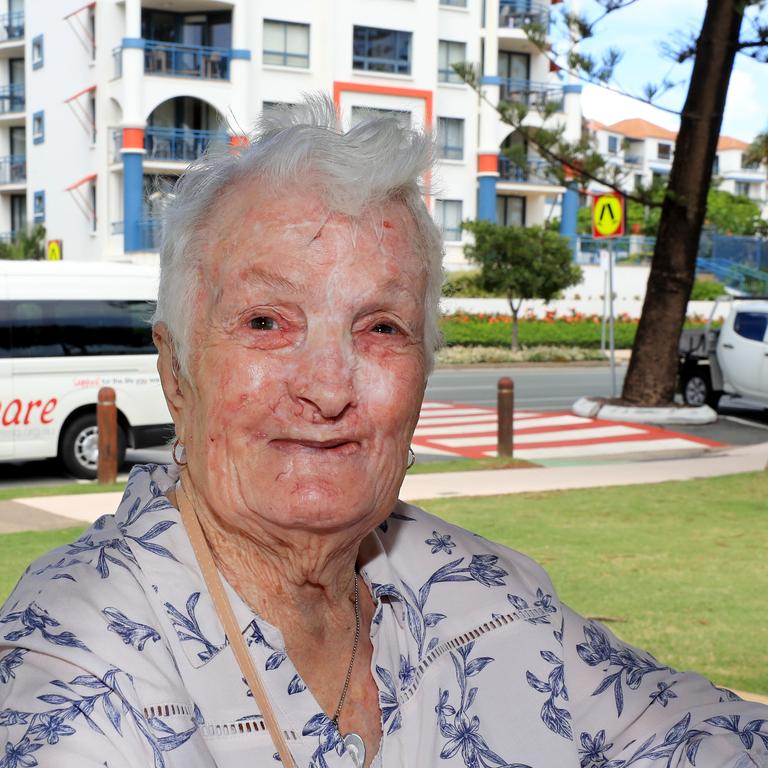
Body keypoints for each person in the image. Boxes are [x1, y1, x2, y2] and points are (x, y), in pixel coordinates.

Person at [0, 96, 766, 768]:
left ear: (423, 375)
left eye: (381, 327)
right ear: (176, 371)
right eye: (267, 321)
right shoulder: (76, 649)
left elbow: (701, 735)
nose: (329, 388)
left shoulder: (487, 595)